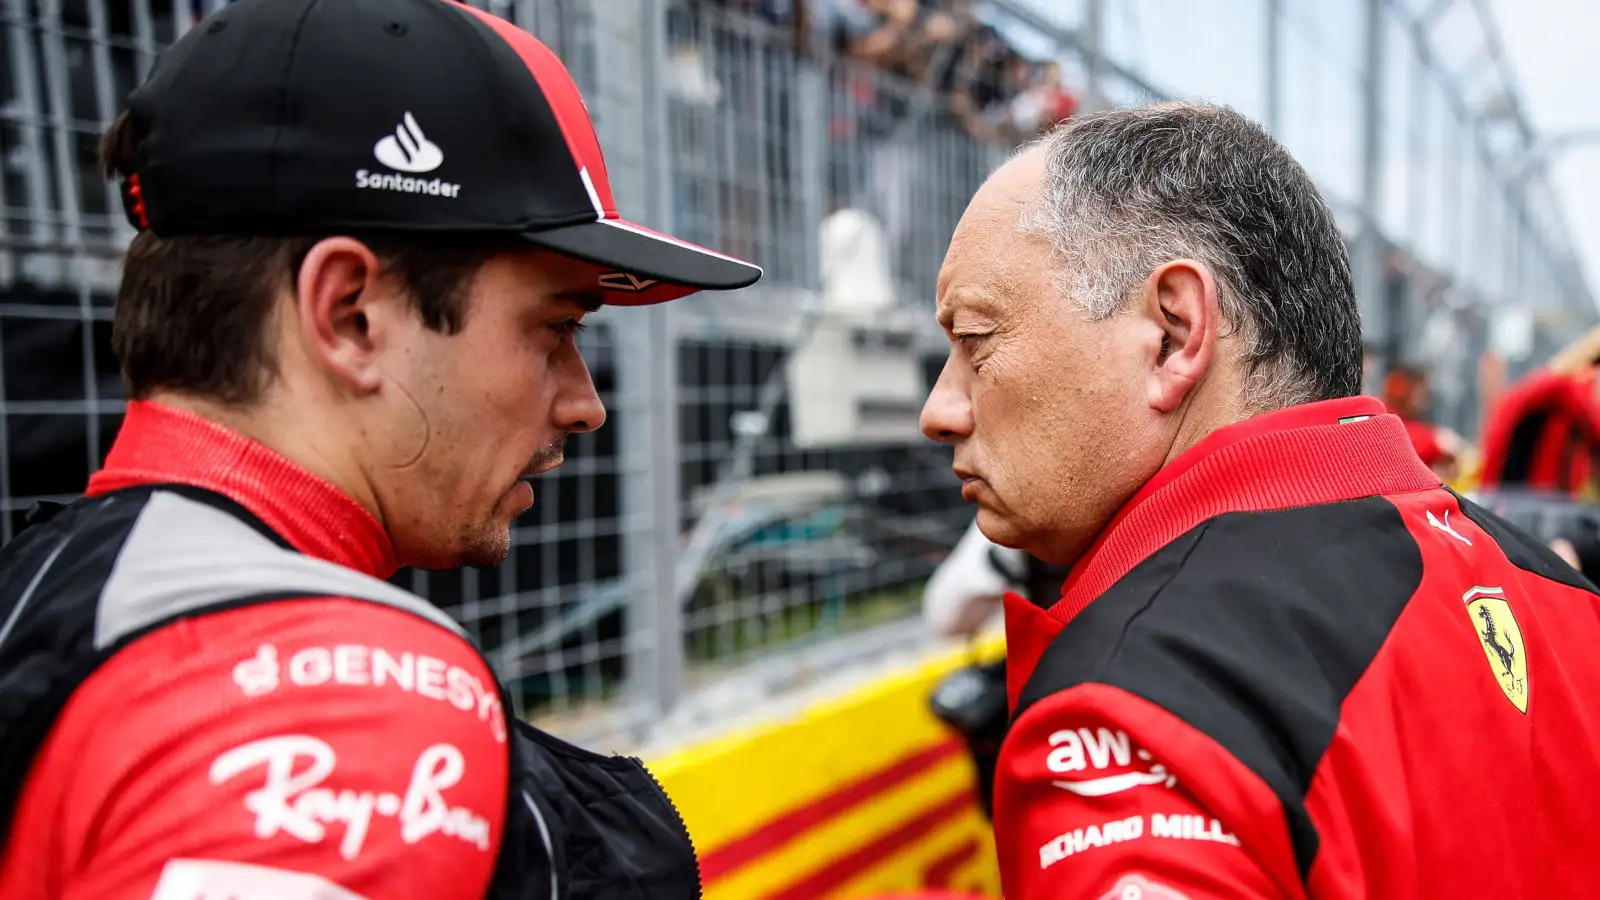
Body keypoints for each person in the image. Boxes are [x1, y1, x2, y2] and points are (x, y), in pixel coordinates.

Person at [0, 0, 760, 898]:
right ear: (349, 314)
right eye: (555, 326)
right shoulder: (349, 708)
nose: (584, 402)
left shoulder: (58, 586)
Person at [920, 102, 1600, 899]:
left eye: (975, 341)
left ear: (1174, 335)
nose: (941, 409)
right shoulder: (1566, 598)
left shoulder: (1132, 715)